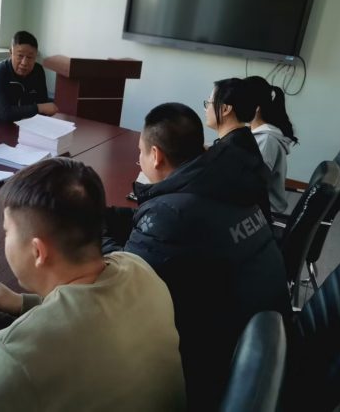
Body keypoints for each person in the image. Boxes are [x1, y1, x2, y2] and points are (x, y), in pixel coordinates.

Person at [0, 158, 186, 412]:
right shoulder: (138, 267)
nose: (4, 239)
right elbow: (95, 311)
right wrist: (23, 303)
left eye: (7, 232)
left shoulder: (23, 351)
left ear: (37, 251)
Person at [103, 103, 291, 411]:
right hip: (258, 350)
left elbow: (122, 280)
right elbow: (163, 232)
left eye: (140, 152)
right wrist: (106, 215)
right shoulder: (224, 183)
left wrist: (92, 236)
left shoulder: (173, 214)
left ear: (155, 156)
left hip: (207, 372)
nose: (140, 159)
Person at [203, 78, 272, 221]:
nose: (206, 109)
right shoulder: (246, 139)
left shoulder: (225, 153)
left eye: (209, 103)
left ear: (225, 109)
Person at [0, 31, 59, 127]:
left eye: (30, 57)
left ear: (36, 56)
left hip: (23, 124)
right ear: (11, 53)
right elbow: (6, 113)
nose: (24, 62)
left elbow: (43, 103)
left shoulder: (38, 71)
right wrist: (39, 108)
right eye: (20, 56)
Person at [245, 76, 299, 214]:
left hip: (263, 211)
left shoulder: (267, 140)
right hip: (256, 205)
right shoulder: (258, 133)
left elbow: (253, 185)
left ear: (256, 108)